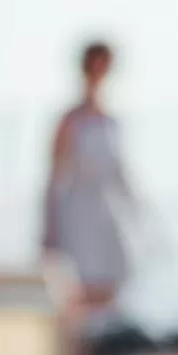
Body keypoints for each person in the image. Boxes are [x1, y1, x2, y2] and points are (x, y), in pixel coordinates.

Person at [43, 40, 143, 338]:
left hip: (107, 216)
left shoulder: (112, 120)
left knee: (111, 285)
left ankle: (103, 350)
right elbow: (54, 178)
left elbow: (122, 176)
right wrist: (49, 229)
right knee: (78, 290)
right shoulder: (70, 121)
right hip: (79, 216)